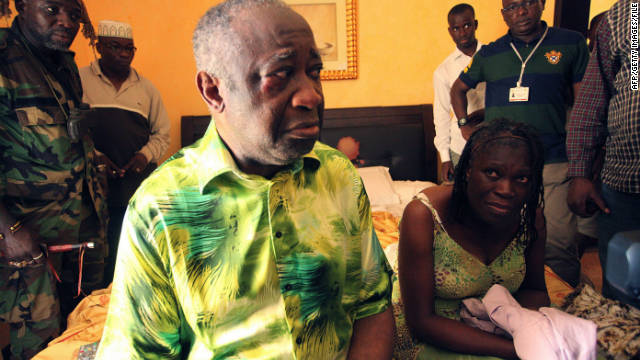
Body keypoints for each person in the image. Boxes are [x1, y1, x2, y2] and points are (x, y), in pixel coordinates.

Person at [95, 0, 394, 358]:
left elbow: (372, 305)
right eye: (280, 75)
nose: (312, 94)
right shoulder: (160, 207)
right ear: (214, 90)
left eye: (314, 71)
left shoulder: (339, 176)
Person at [450, 0, 592, 287]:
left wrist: (583, 167)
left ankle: (563, 309)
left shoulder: (570, 43)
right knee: (504, 243)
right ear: (504, 14)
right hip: (504, 170)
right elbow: (458, 89)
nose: (521, 12)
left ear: (540, 5)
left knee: (558, 245)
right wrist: (465, 126)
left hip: (553, 162)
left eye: (527, 3)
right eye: (512, 7)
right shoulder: (491, 53)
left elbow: (585, 106)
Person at [0, 0, 107, 358]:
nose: (66, 21)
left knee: (80, 337)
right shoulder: (4, 61)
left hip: (81, 231)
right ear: (22, 5)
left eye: (74, 14)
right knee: (37, 345)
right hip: (28, 239)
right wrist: (10, 230)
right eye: (52, 9)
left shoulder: (63, 62)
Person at [398, 118, 549, 359]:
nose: (506, 190)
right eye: (492, 173)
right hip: (436, 333)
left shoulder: (530, 218)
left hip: (504, 329)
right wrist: (516, 351)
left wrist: (522, 326)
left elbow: (535, 290)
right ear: (467, 170)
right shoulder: (423, 215)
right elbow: (421, 322)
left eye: (521, 178)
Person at [79, 20, 170, 286]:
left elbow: (162, 134)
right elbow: (69, 130)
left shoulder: (147, 88)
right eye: (114, 46)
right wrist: (95, 157)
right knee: (94, 253)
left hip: (133, 184)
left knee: (127, 249)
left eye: (128, 49)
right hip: (91, 186)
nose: (122, 53)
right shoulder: (79, 79)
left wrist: (143, 157)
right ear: (99, 47)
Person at [566, 0, 639, 306]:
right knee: (624, 296)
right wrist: (581, 173)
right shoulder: (628, 15)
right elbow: (593, 99)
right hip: (625, 186)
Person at [433, 3, 485, 183]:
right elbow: (441, 116)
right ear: (450, 31)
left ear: (475, 24)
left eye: (467, 25)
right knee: (461, 204)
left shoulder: (493, 56)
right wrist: (445, 158)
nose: (462, 32)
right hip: (460, 147)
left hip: (494, 142)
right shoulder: (443, 70)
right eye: (456, 28)